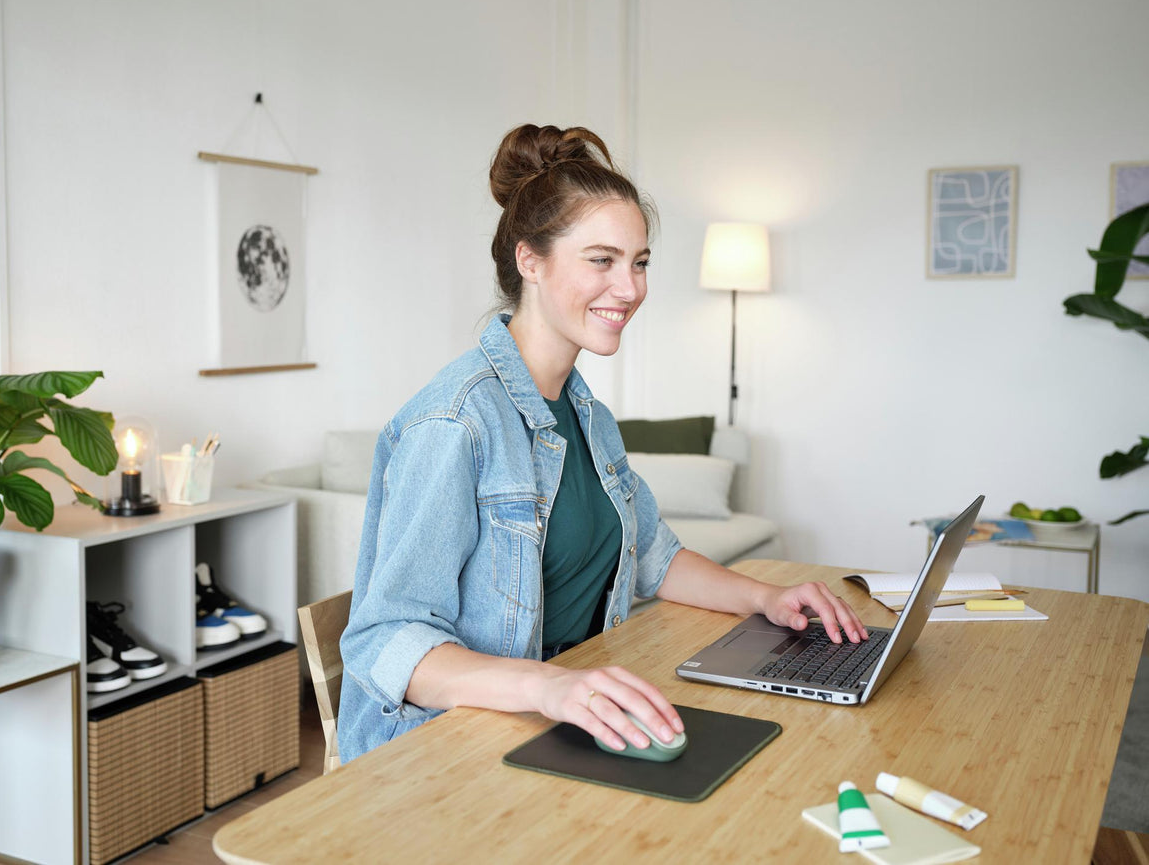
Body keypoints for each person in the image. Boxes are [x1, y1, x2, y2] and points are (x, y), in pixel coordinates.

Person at [337, 123, 867, 764]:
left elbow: (653, 557)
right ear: (529, 261)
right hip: (445, 755)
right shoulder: (454, 423)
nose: (630, 288)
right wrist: (552, 686)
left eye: (639, 262)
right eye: (602, 260)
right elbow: (389, 641)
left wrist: (767, 599)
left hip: (556, 719)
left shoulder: (586, 413)